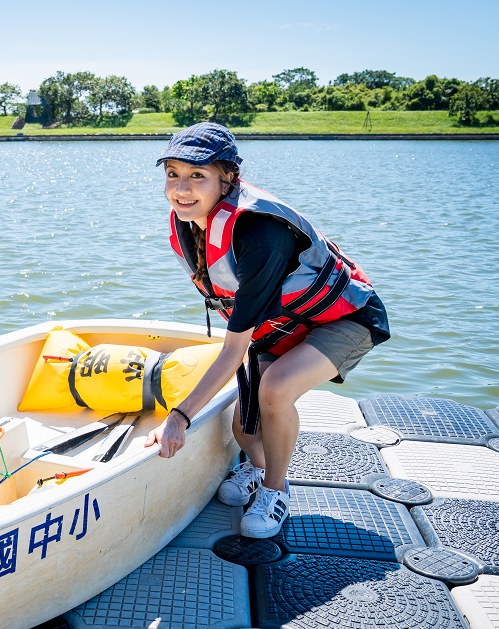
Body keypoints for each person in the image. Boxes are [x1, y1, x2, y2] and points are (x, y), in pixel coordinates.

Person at [144, 123, 390, 538]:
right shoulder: (192, 221)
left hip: (345, 318)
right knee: (245, 427)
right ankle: (258, 469)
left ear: (228, 179)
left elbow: (233, 351)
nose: (181, 188)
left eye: (197, 175)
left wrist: (179, 418)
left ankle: (276, 491)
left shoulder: (261, 234)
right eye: (173, 173)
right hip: (279, 327)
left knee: (274, 389)